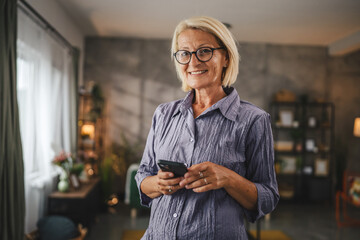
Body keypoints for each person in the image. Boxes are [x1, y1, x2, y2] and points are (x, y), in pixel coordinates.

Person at [135, 16, 279, 239]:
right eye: (184, 53)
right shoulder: (163, 114)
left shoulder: (254, 120)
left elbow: (268, 198)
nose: (193, 62)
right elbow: (143, 176)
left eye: (204, 51)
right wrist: (157, 183)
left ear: (226, 58)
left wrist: (227, 178)